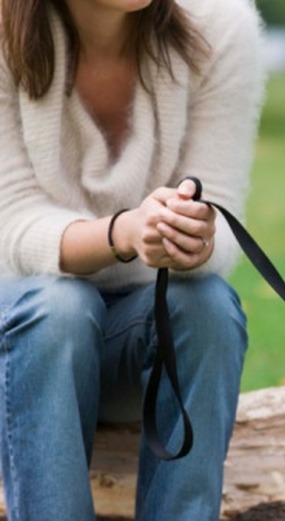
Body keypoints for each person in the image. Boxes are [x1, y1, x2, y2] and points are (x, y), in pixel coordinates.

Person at [0, 0, 265, 518]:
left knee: (206, 303)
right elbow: (10, 228)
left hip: (139, 335)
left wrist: (193, 238)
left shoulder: (222, 26)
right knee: (57, 307)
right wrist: (124, 231)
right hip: (20, 342)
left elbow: (223, 212)